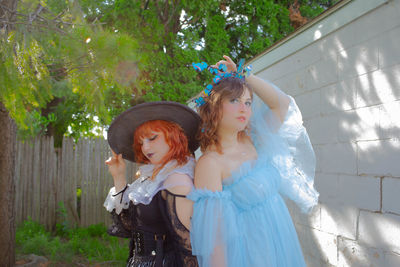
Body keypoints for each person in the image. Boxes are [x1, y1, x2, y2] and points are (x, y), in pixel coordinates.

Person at [188, 56, 319, 267]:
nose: (244, 108)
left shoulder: (255, 140)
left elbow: (281, 104)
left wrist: (245, 76)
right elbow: (216, 240)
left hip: (282, 242)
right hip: (251, 253)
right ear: (214, 108)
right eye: (234, 101)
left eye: (248, 102)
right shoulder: (210, 163)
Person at [103, 101, 200, 267]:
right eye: (141, 142)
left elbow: (189, 248)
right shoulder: (151, 176)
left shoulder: (177, 180)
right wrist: (119, 177)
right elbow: (128, 227)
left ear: (174, 136)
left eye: (152, 138)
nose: (145, 147)